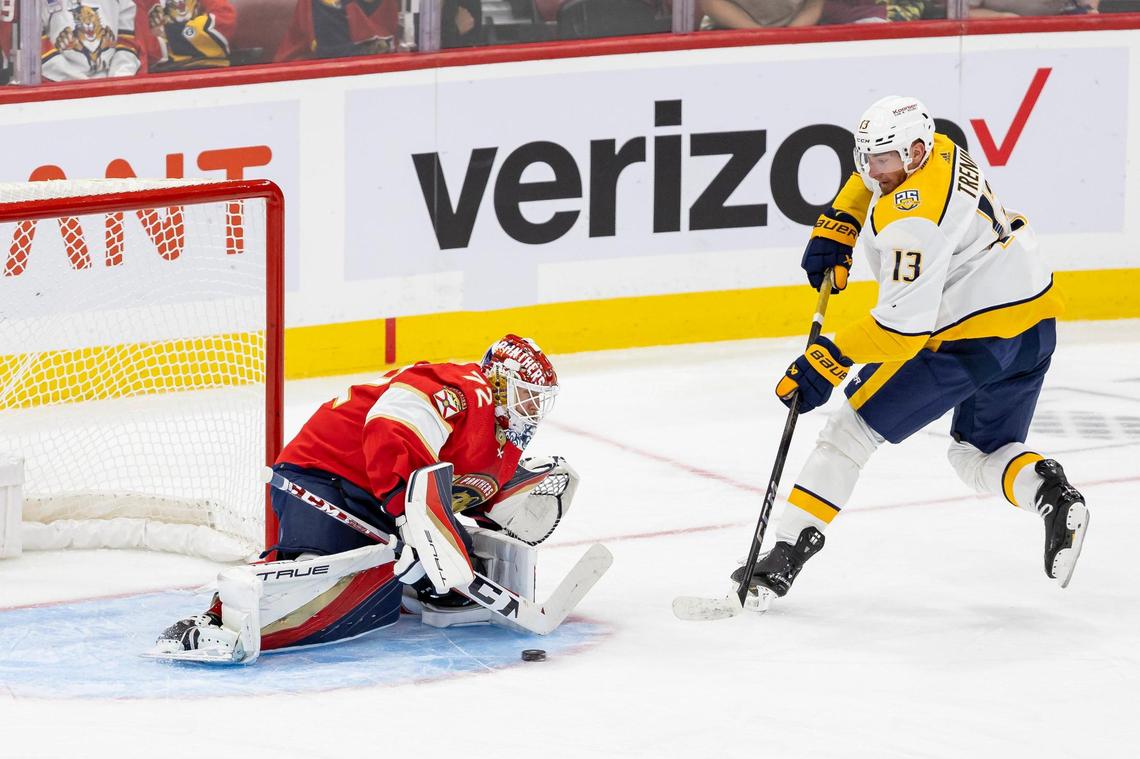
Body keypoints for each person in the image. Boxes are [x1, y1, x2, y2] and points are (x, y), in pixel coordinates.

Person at [734, 95, 1089, 608]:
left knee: (849, 431)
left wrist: (828, 358)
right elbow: (870, 177)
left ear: (915, 152)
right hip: (1031, 324)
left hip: (970, 337)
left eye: (883, 160)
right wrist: (844, 217)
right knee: (977, 456)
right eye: (866, 157)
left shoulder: (913, 221)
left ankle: (784, 556)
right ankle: (1049, 493)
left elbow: (902, 331)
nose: (871, 170)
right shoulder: (942, 146)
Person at [154, 334, 580, 659]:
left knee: (432, 570)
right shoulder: (463, 385)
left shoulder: (500, 438)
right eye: (525, 397)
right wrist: (411, 525)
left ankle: (420, 586)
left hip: (376, 489)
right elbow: (390, 430)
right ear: (499, 382)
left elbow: (468, 497)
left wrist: (501, 508)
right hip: (324, 471)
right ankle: (212, 619)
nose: (530, 412)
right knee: (316, 571)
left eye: (538, 404)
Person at [41, 0, 143, 81]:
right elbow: (35, 50)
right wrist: (78, 85)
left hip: (114, 89)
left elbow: (128, 43)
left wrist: (118, 83)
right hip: (62, 91)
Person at [138, 0, 235, 71]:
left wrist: (166, 33)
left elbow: (223, 24)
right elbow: (141, 47)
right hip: (157, 77)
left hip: (206, 69)